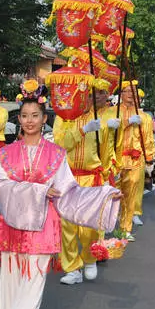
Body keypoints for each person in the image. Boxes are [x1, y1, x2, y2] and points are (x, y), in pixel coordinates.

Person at [0, 80, 122, 309]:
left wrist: (103, 196)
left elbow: (69, 192)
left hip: (44, 224)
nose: (29, 121)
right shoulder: (6, 154)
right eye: (24, 116)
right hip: (14, 222)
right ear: (19, 119)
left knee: (35, 276)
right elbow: (1, 187)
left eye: (34, 115)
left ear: (43, 118)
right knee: (14, 275)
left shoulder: (56, 155)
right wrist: (37, 191)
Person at [52, 81, 120, 286]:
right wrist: (82, 130)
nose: (90, 99)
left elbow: (105, 150)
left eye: (93, 95)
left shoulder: (100, 118)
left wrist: (109, 131)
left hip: (91, 177)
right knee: (68, 225)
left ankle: (89, 259)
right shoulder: (63, 118)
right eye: (87, 95)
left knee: (89, 225)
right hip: (68, 178)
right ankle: (72, 267)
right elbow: (60, 144)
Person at [117, 81, 155, 237]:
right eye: (126, 91)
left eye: (132, 92)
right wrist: (126, 123)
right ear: (121, 94)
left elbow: (148, 139)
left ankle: (126, 227)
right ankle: (112, 219)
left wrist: (149, 158)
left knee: (132, 192)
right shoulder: (113, 112)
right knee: (114, 193)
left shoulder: (144, 117)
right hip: (116, 159)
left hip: (136, 159)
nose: (129, 95)